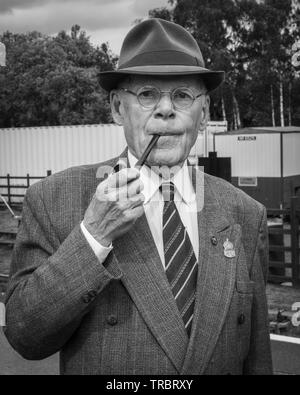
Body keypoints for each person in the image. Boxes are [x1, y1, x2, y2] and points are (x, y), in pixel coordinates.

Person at [4, 18, 272, 375]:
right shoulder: (55, 201)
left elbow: (257, 359)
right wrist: (93, 237)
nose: (165, 109)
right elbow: (25, 336)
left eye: (182, 95)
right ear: (118, 108)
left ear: (204, 113)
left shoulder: (245, 213)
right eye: (147, 94)